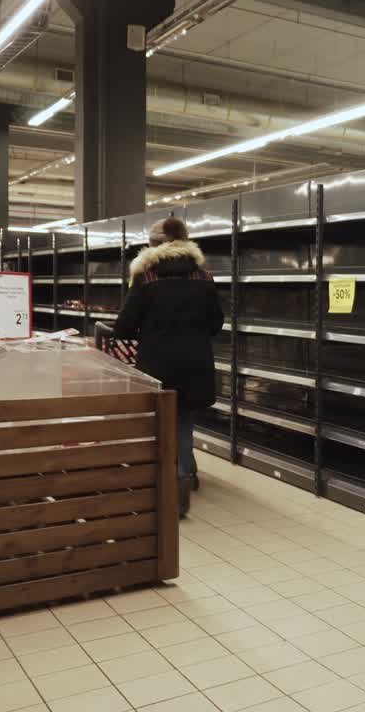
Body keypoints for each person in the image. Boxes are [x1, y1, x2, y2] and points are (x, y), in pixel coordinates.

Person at [114, 217, 224, 517]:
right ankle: (183, 479)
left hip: (156, 364)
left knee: (158, 423)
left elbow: (124, 327)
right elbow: (217, 323)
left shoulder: (146, 278)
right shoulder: (204, 278)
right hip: (195, 363)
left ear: (153, 247)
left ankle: (160, 480)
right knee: (185, 422)